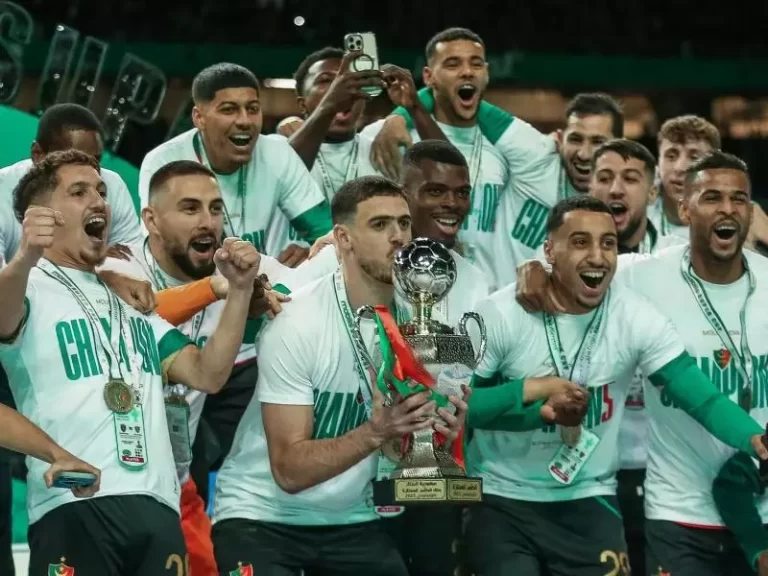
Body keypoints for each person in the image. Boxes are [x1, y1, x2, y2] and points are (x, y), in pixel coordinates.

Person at [467, 193, 768, 576]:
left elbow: (702, 398)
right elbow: (453, 407)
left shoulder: (636, 317)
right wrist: (532, 392)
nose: (597, 256)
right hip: (500, 495)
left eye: (607, 243)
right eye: (580, 242)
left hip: (589, 494)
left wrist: (753, 438)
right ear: (549, 250)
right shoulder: (496, 314)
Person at [0, 149, 261, 575]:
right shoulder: (26, 287)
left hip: (157, 505)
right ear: (43, 215)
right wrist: (26, 255)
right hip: (74, 500)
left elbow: (207, 374)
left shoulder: (130, 299)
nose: (99, 201)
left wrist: (240, 289)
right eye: (79, 192)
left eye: (101, 191)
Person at [211, 175, 468, 575]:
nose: (398, 237)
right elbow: (288, 471)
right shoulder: (297, 322)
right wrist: (377, 431)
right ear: (343, 239)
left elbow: (404, 455)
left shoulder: (423, 324)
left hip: (353, 519)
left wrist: (437, 436)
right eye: (380, 225)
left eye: (403, 223)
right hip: (261, 516)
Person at [99, 159, 289, 576]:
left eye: (215, 208)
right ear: (151, 219)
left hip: (176, 482)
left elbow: (302, 287)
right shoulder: (118, 267)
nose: (208, 222)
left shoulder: (233, 267)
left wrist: (326, 253)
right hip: (109, 486)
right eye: (190, 208)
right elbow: (143, 312)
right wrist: (219, 288)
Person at [371, 41, 624, 287]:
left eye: (598, 142)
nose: (584, 153)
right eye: (576, 139)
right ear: (559, 138)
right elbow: (461, 100)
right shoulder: (536, 155)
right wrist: (403, 112)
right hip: (484, 292)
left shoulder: (623, 202)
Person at [359, 28, 511, 290]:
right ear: (429, 76)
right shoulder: (387, 137)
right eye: (453, 64)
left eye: (476, 64)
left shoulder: (505, 149)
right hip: (403, 288)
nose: (467, 72)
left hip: (482, 293)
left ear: (486, 73)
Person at [139, 63, 332, 267]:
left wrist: (312, 257)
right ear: (199, 117)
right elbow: (158, 252)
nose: (244, 121)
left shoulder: (278, 153)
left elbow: (326, 234)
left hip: (261, 280)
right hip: (193, 281)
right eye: (229, 110)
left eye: (252, 109)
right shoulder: (165, 162)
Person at [0, 103, 143, 265]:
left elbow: (135, 261)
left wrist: (105, 265)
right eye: (73, 159)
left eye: (95, 160)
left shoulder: (112, 184)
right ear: (38, 154)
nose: (88, 169)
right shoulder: (2, 192)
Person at [651, 115, 768, 251]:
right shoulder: (639, 208)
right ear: (658, 163)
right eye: (671, 156)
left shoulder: (743, 214)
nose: (680, 167)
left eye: (694, 157)